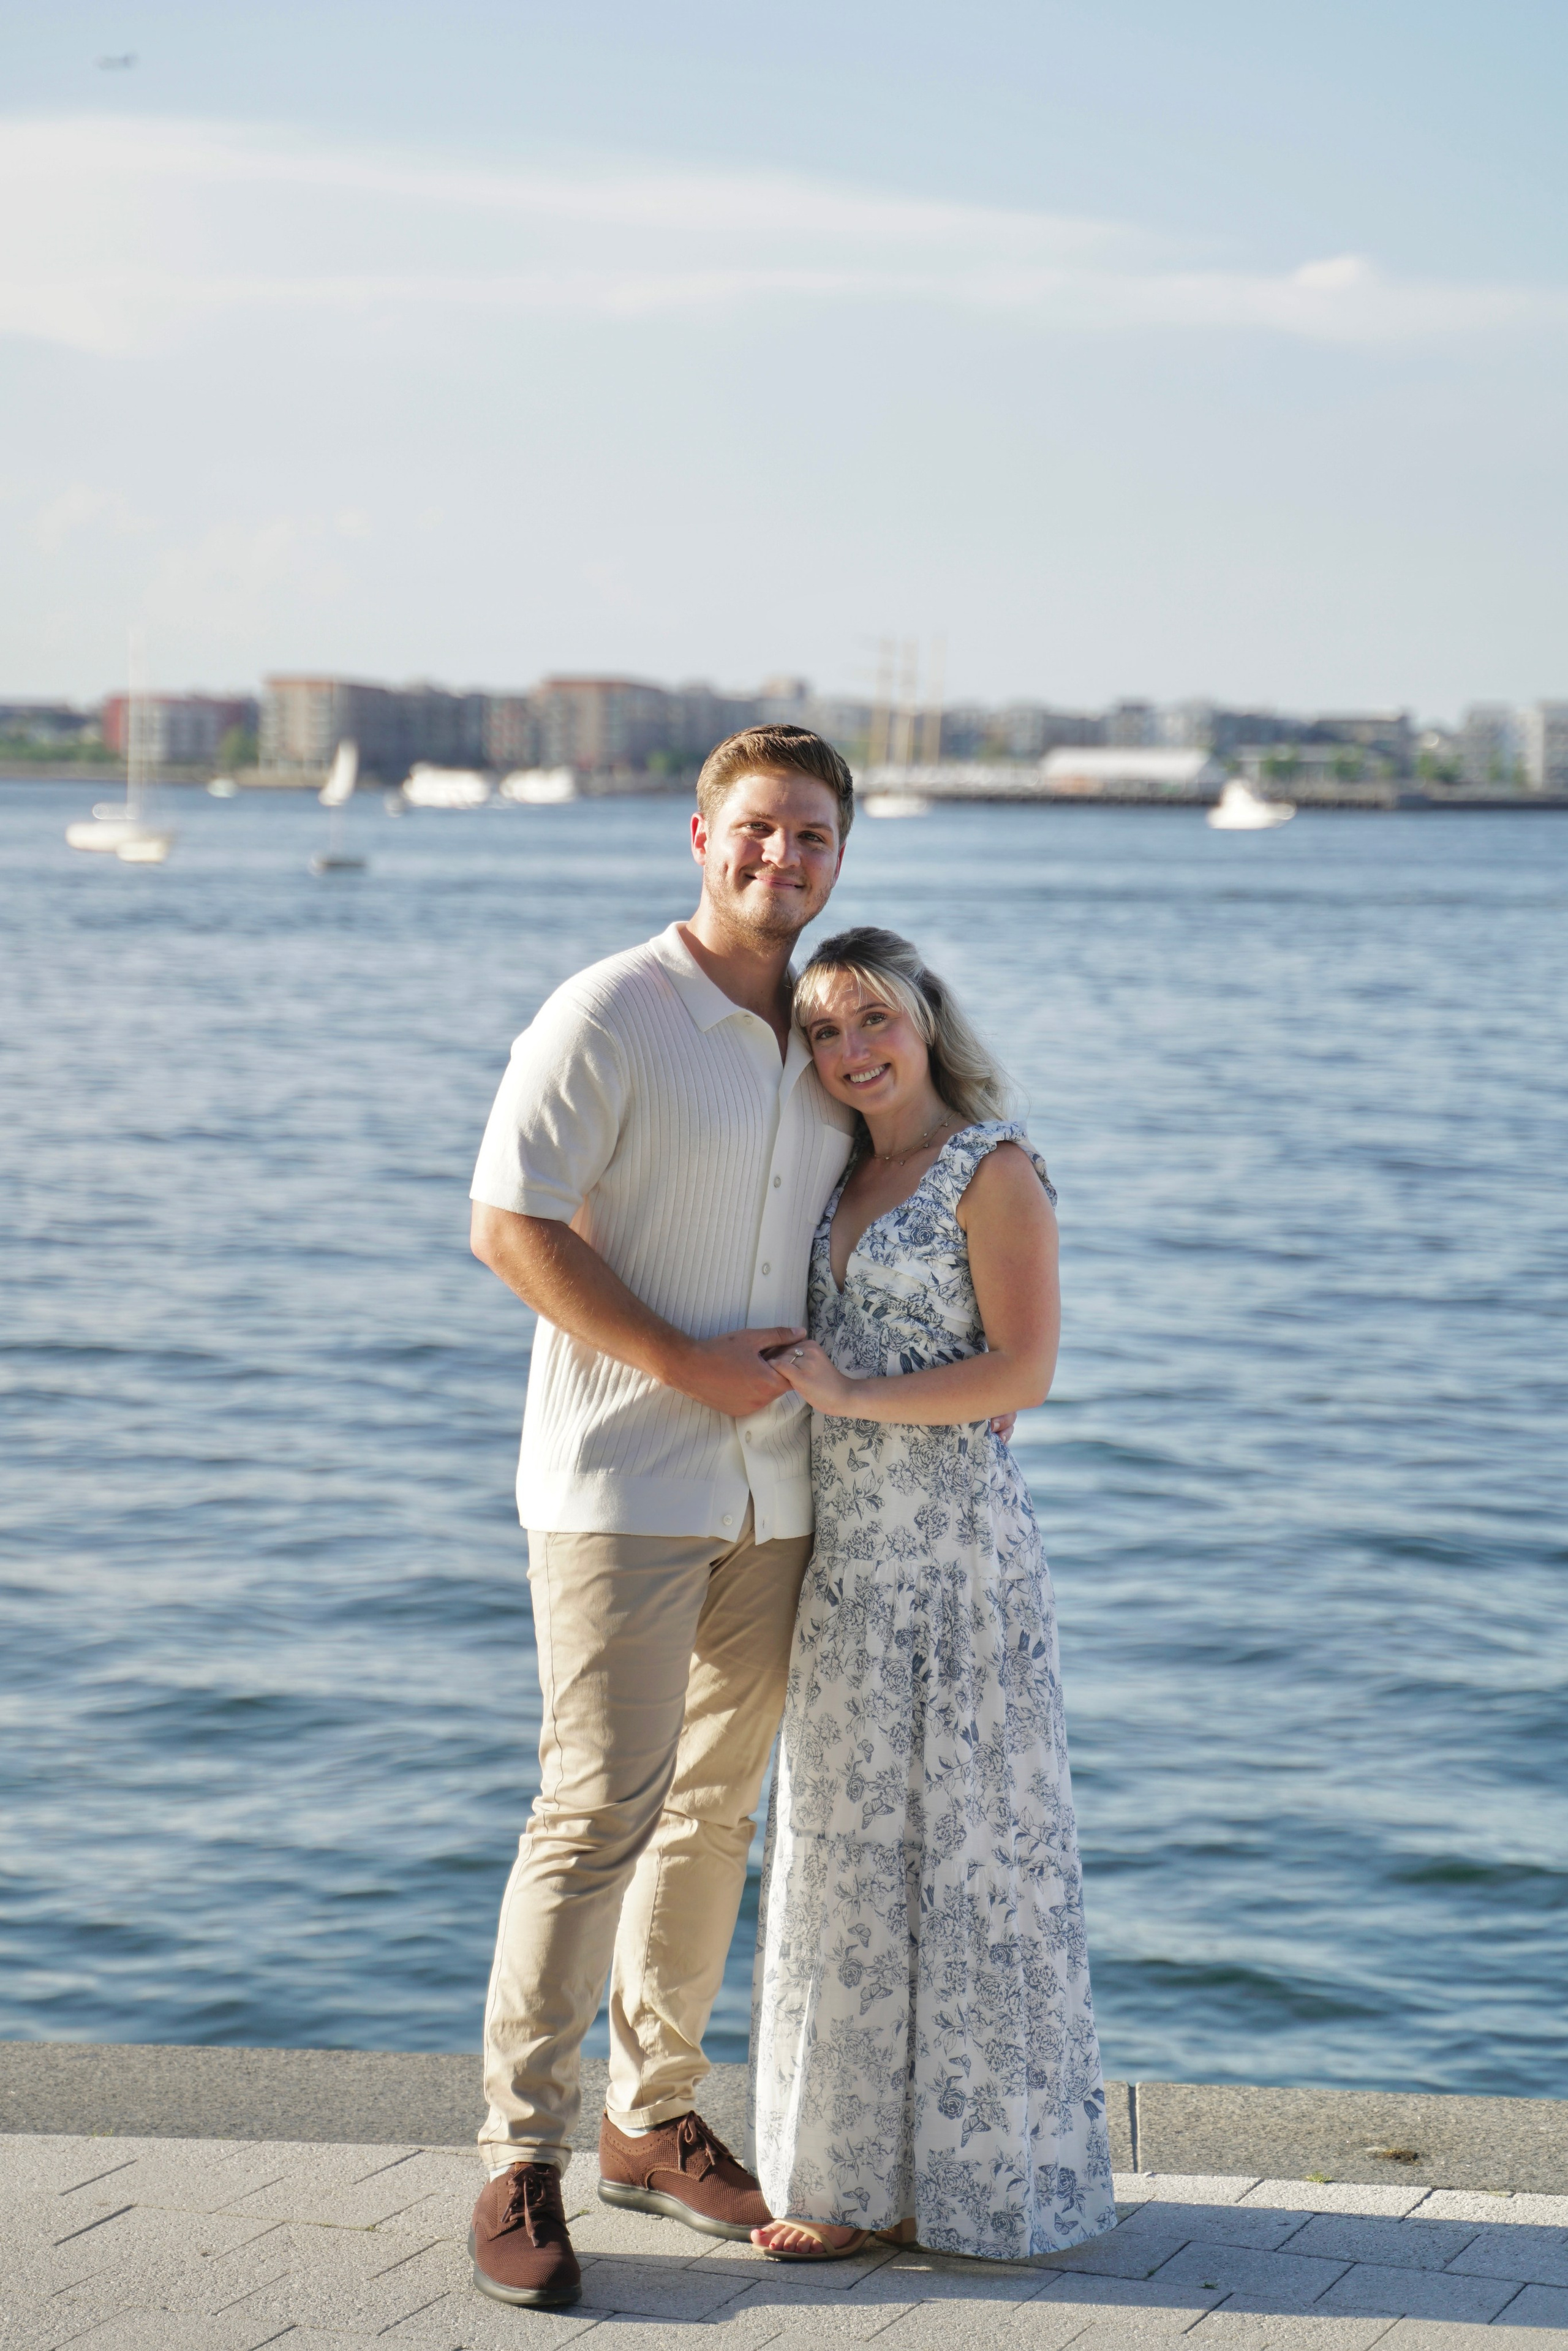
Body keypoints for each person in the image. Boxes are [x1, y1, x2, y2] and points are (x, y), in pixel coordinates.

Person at [462, 726, 862, 2312]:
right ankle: (518, 2155)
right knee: (593, 1813)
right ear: (701, 833)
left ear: (843, 856)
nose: (786, 858)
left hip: (778, 1488)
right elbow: (507, 1221)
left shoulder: (831, 1032)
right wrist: (685, 1359)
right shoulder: (610, 1009)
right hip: (622, 1482)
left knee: (715, 1812)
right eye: (760, 829)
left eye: (816, 836)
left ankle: (650, 2118)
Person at [747, 927, 1118, 2265]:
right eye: (824, 1033)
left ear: (923, 1017)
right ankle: (848, 2181)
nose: (850, 1051)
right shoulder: (832, 1171)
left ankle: (977, 2180)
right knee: (845, 1856)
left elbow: (1022, 1372)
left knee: (968, 1854)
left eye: (871, 1020)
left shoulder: (991, 1166)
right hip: (845, 1558)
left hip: (958, 1558)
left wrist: (854, 1393)